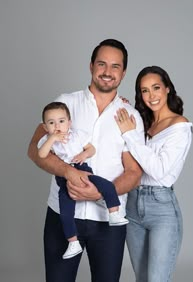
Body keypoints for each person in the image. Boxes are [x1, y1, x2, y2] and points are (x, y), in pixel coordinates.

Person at [27, 39, 144, 282]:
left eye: (115, 66)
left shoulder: (130, 115)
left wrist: (100, 194)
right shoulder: (65, 103)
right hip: (62, 216)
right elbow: (34, 149)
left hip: (108, 222)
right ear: (91, 66)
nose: (107, 72)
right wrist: (68, 171)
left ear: (123, 72)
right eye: (102, 64)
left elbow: (134, 172)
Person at [115, 65, 193, 282]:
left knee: (156, 279)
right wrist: (120, 109)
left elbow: (158, 170)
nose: (151, 95)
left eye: (156, 87)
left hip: (162, 209)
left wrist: (130, 135)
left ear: (168, 88)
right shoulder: (143, 123)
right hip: (131, 205)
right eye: (144, 90)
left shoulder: (180, 126)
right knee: (142, 278)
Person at [38, 101, 129, 260]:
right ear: (45, 127)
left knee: (107, 186)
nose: (57, 126)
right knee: (66, 212)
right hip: (64, 177)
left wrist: (84, 155)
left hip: (83, 169)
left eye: (61, 121)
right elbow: (41, 155)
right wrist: (52, 139)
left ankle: (114, 213)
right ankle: (73, 242)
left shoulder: (77, 135)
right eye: (51, 123)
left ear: (69, 122)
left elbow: (91, 149)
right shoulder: (48, 140)